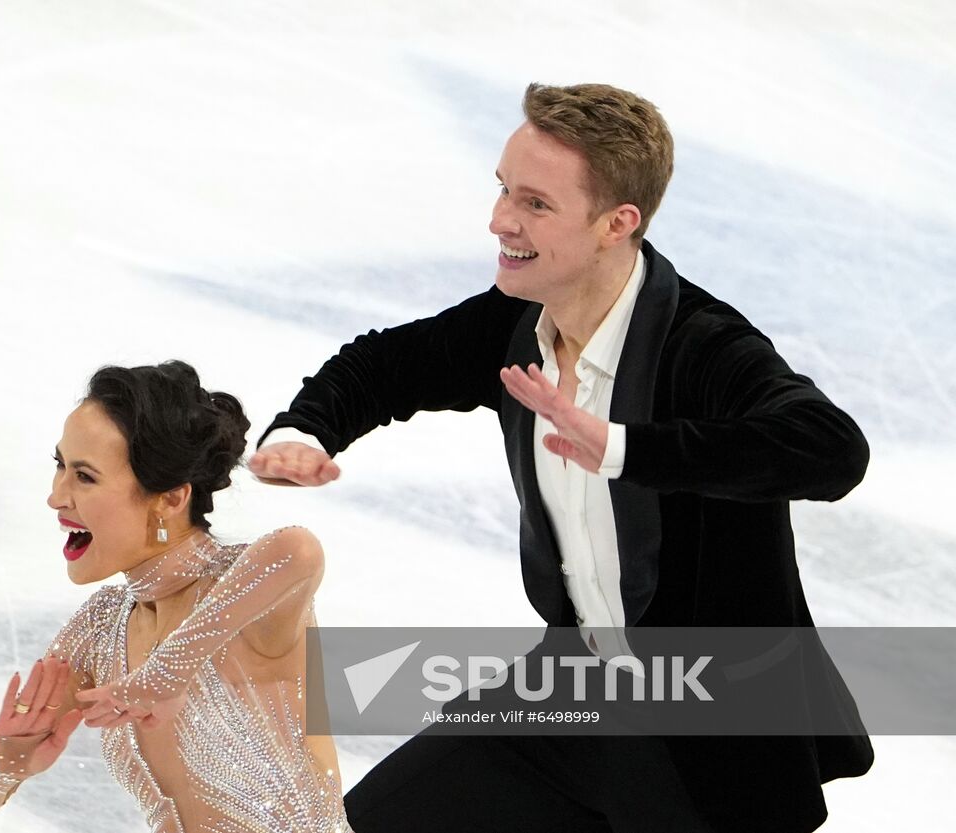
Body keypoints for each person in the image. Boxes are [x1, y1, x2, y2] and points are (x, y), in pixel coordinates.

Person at [249, 83, 872, 832]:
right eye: (505, 190)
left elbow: (831, 448)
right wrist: (306, 432)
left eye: (535, 204)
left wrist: (623, 446)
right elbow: (387, 364)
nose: (500, 219)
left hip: (709, 737)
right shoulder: (517, 325)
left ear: (617, 223)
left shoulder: (701, 348)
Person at [0, 360, 353, 832]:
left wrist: (163, 673)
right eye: (61, 466)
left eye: (85, 477)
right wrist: (10, 757)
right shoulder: (101, 627)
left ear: (170, 499)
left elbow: (297, 551)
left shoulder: (238, 591)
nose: (56, 497)